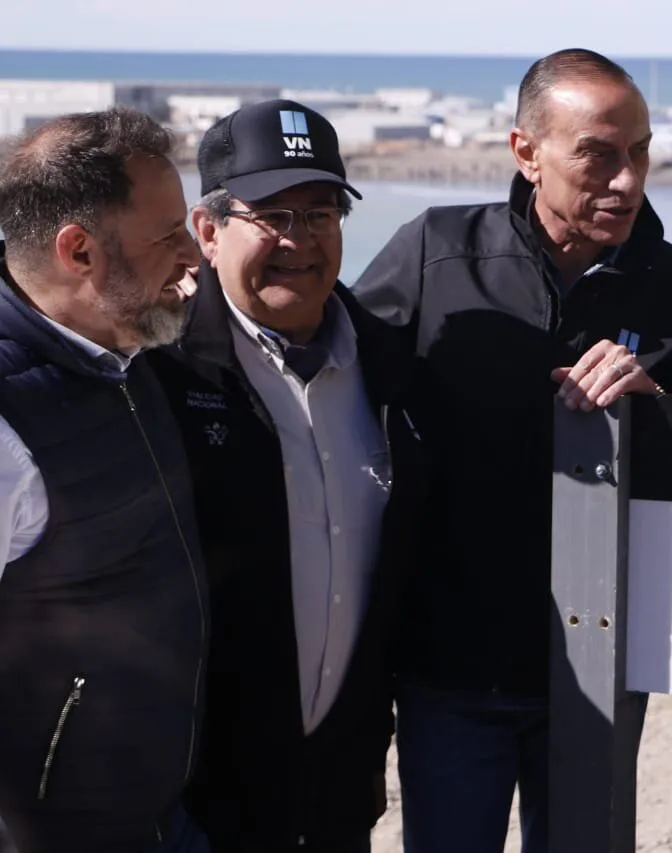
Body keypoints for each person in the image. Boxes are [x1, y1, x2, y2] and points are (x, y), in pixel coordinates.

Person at [353, 48, 672, 853]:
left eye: (640, 153)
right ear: (525, 152)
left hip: (602, 672)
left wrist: (662, 412)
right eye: (597, 154)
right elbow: (329, 378)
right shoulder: (435, 251)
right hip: (449, 668)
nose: (626, 180)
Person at [145, 99, 426, 852]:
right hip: (194, 805)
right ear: (207, 231)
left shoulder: (394, 368)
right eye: (271, 215)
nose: (299, 241)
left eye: (321, 213)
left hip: (338, 791)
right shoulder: (155, 374)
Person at [0, 108, 208, 851]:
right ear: (78, 251)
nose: (193, 255)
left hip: (161, 817)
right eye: (166, 236)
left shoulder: (119, 343)